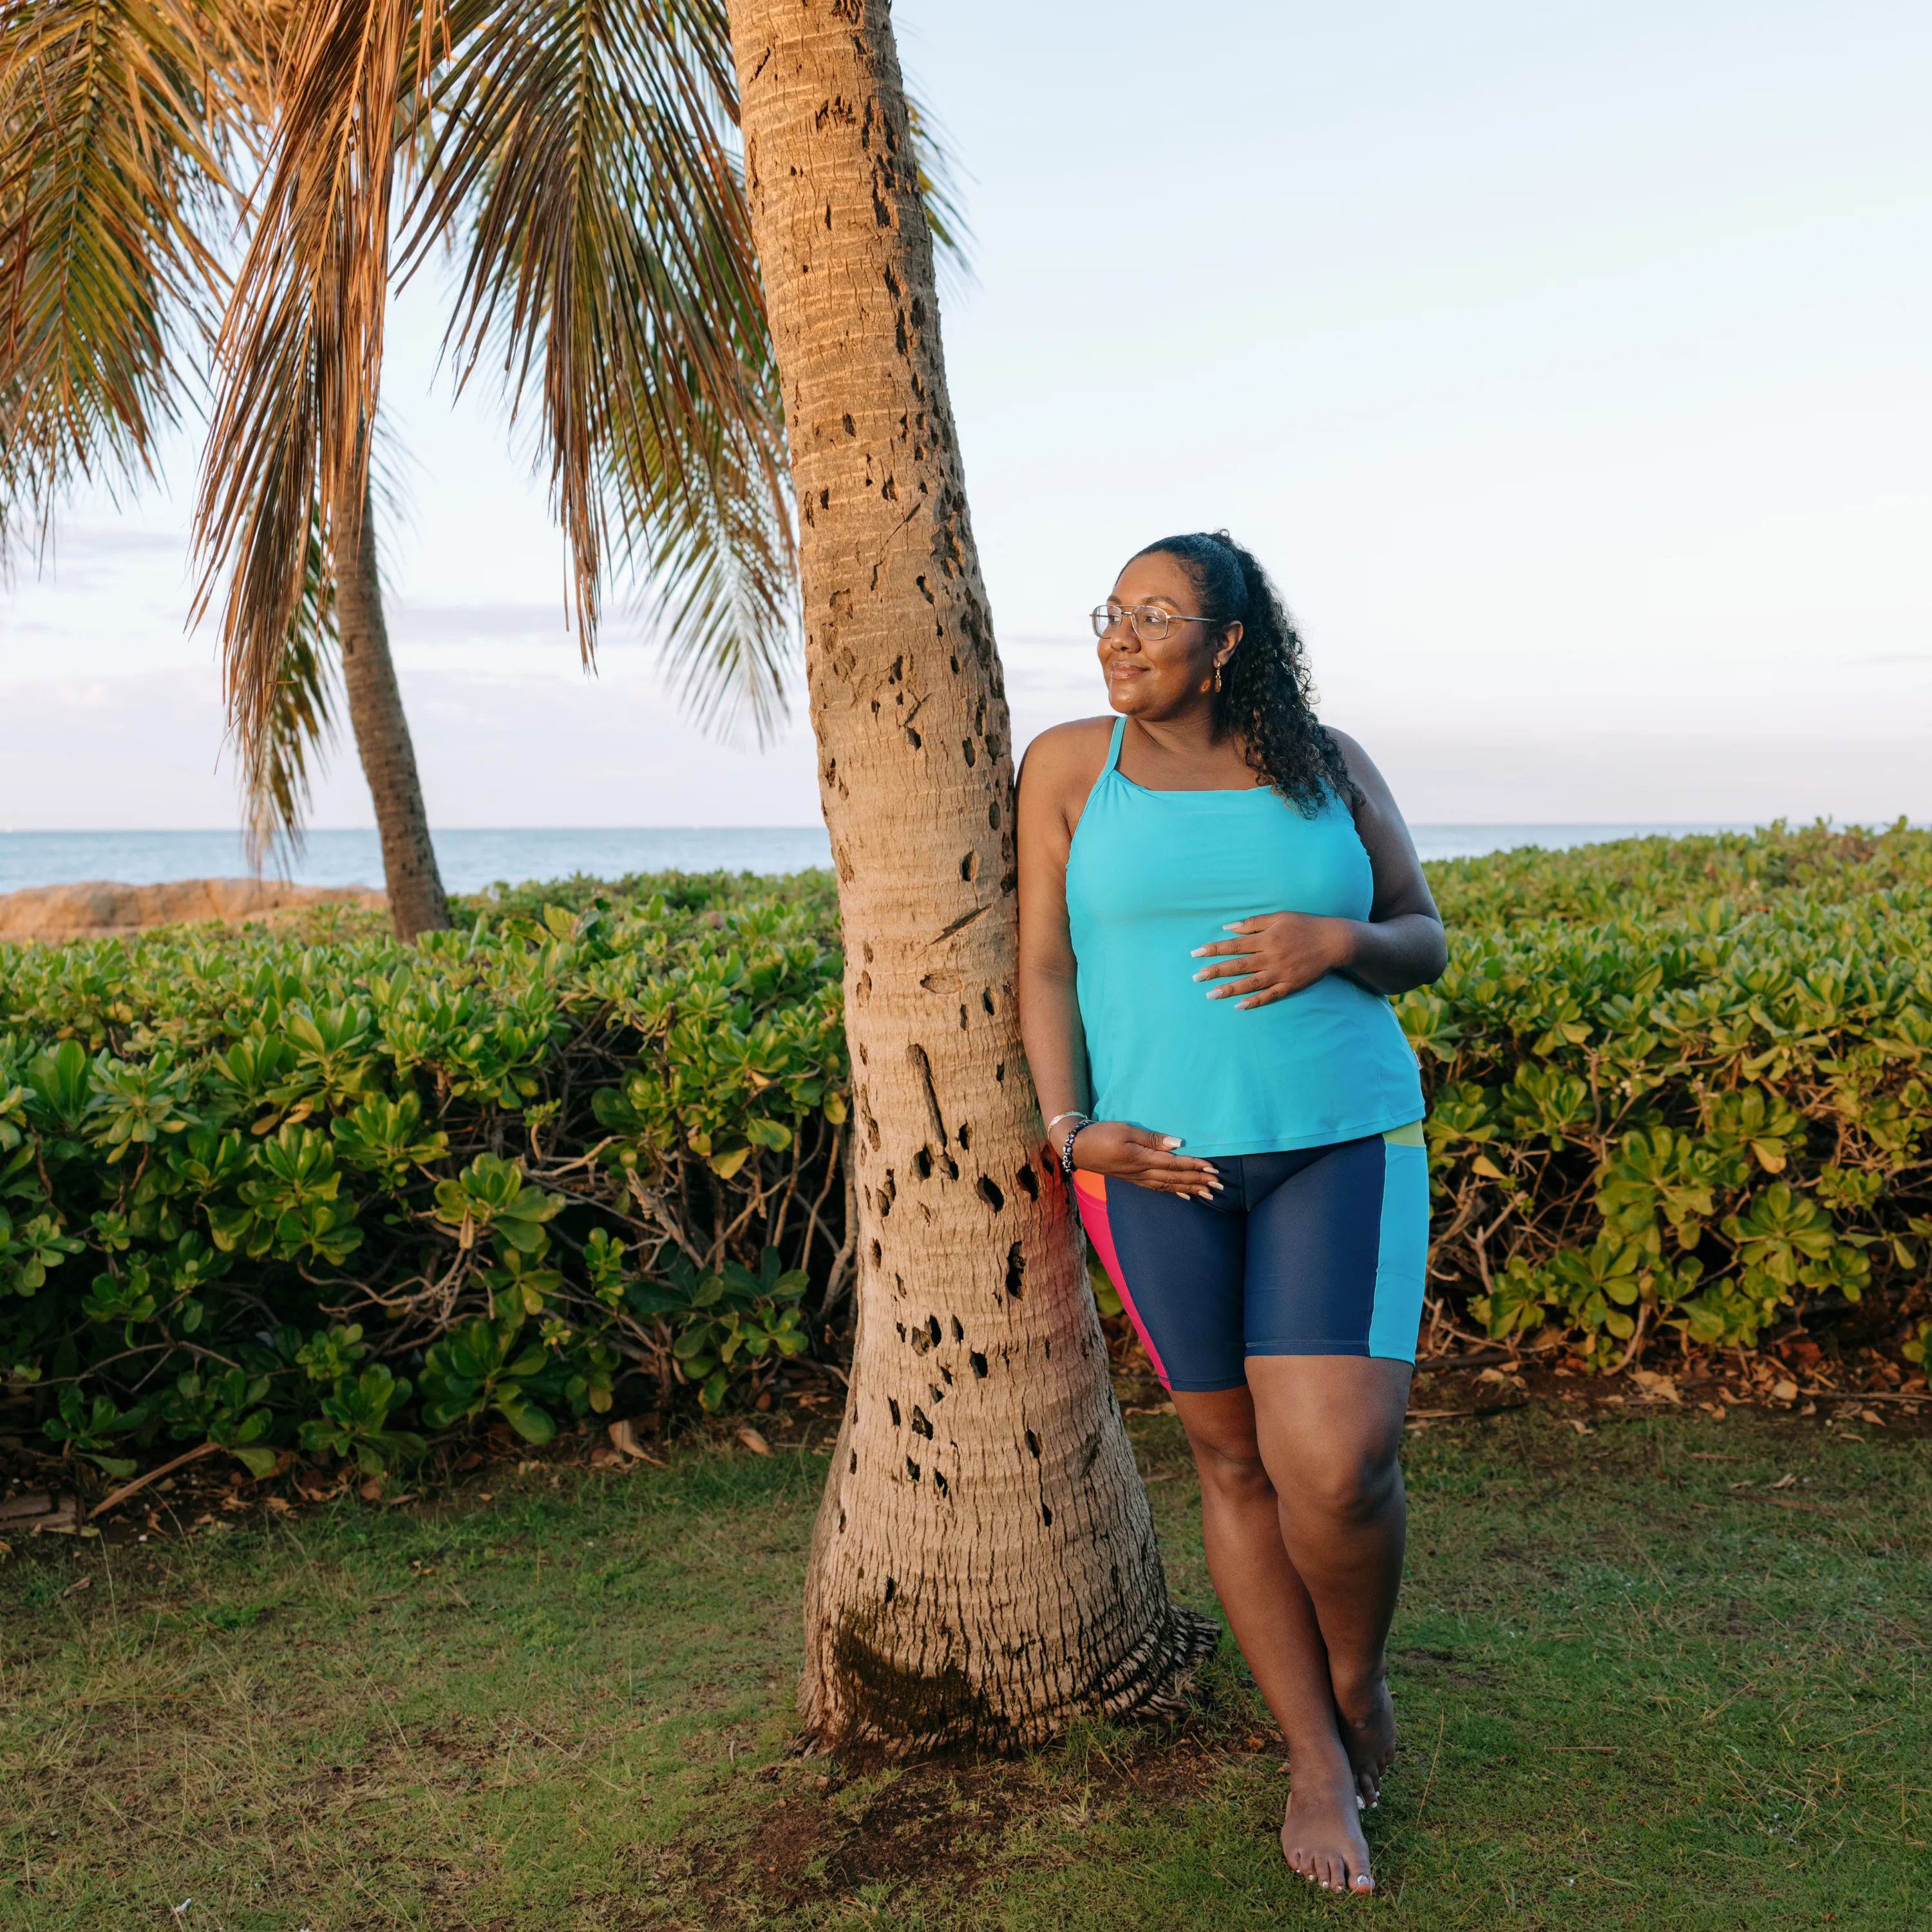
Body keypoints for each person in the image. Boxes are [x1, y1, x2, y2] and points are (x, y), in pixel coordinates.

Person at [1016, 531, 1446, 1897]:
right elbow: (1041, 962)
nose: (1121, 635)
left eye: (1158, 614)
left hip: (1341, 1143)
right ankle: (1316, 1755)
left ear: (1230, 642)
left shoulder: (1329, 765)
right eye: (1112, 612)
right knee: (1235, 1463)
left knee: (1339, 1464)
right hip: (1153, 1173)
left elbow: (1423, 933)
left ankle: (1358, 1680)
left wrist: (1342, 944)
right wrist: (1074, 1133)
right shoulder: (1071, 769)